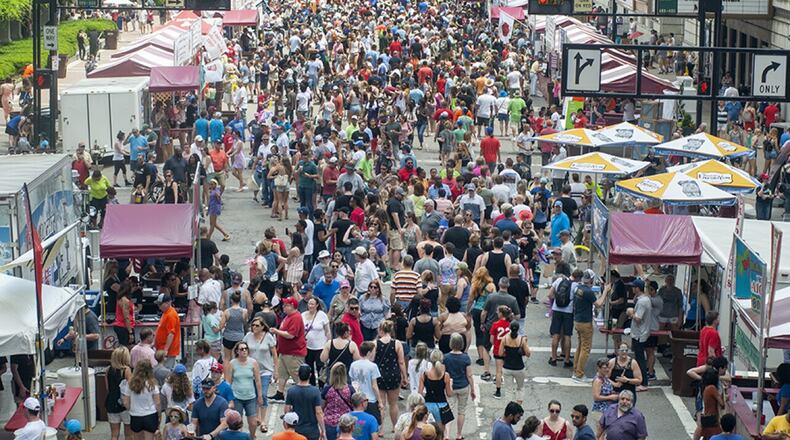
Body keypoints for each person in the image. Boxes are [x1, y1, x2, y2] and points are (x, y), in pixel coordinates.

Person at [243, 316, 277, 433]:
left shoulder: (268, 337)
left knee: (262, 394)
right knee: (253, 394)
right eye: (253, 325)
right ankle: (256, 417)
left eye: (257, 325)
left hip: (265, 370)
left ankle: (263, 421)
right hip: (250, 370)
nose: (254, 327)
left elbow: (274, 353)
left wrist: (275, 370)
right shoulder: (248, 336)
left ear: (263, 326)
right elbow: (242, 349)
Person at [269, 297, 306, 402]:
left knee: (296, 374)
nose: (284, 307)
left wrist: (277, 331)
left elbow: (291, 335)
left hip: (294, 352)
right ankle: (279, 393)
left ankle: (302, 394)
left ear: (293, 306)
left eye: (286, 305)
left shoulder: (296, 317)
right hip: (285, 351)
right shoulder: (288, 316)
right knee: (282, 373)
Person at [225, 341, 263, 440]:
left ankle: (252, 437)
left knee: (253, 423)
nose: (244, 351)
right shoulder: (232, 363)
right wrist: (230, 399)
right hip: (237, 397)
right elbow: (228, 382)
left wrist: (260, 396)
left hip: (251, 397)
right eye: (242, 349)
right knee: (237, 423)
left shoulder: (253, 362)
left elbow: (258, 381)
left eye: (246, 348)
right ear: (237, 351)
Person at [572, 270, 605, 382]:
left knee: (580, 346)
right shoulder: (588, 292)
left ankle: (576, 370)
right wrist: (605, 291)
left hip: (577, 320)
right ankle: (579, 374)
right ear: (591, 279)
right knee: (585, 348)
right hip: (585, 322)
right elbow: (599, 304)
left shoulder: (578, 288)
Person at [375, 320, 408, 431]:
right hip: (394, 374)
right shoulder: (397, 343)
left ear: (381, 330)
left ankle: (381, 428)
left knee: (381, 403)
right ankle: (395, 426)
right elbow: (401, 362)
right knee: (393, 404)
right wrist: (404, 376)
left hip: (379, 375)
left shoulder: (375, 343)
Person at [120, 359, 161, 440]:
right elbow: (158, 402)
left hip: (136, 415)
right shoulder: (152, 384)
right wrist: (159, 414)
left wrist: (131, 409)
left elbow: (125, 402)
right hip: (150, 414)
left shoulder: (130, 384)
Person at [284, 364, 325, 440]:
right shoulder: (315, 391)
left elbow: (287, 410)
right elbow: (318, 412)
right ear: (310, 375)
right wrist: (323, 430)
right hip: (312, 431)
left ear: (298, 374)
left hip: (296, 429)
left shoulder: (291, 391)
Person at [350, 341, 384, 424]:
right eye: (374, 352)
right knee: (373, 424)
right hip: (370, 400)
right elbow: (374, 385)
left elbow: (353, 382)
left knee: (359, 424)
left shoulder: (353, 365)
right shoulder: (373, 366)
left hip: (357, 399)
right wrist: (380, 401)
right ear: (369, 353)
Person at [497, 321, 531, 404]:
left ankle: (509, 408)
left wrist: (507, 352)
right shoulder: (521, 339)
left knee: (508, 389)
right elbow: (528, 354)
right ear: (518, 329)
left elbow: (500, 353)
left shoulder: (505, 338)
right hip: (519, 367)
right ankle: (518, 407)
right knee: (520, 387)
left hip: (507, 367)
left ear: (509, 328)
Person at [322, 363, 356, 440]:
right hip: (346, 423)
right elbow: (354, 406)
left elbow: (322, 407)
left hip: (330, 422)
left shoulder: (327, 389)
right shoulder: (350, 389)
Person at [303, 297, 331, 386]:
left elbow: (327, 331)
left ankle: (322, 386)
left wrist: (329, 343)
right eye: (309, 304)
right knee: (309, 367)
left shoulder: (322, 315)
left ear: (317, 305)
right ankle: (311, 385)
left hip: (320, 346)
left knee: (320, 367)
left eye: (312, 304)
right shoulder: (303, 315)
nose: (310, 306)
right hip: (307, 346)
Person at [106, 346, 133, 440]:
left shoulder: (108, 369)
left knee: (114, 434)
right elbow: (130, 389)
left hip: (111, 403)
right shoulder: (126, 370)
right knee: (129, 435)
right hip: (124, 405)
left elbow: (107, 388)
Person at [154, 294, 181, 368]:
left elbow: (171, 334)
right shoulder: (166, 313)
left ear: (168, 303)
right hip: (162, 349)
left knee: (165, 372)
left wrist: (166, 350)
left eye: (160, 304)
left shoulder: (171, 315)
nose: (159, 307)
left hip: (168, 351)